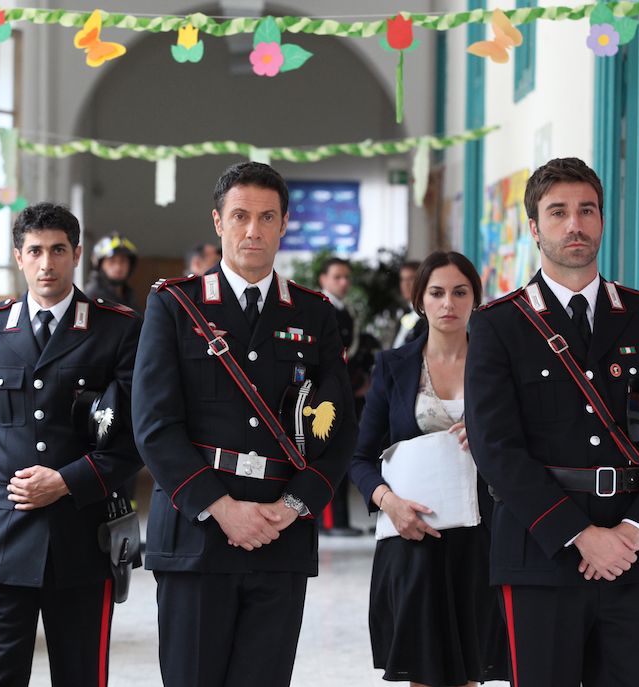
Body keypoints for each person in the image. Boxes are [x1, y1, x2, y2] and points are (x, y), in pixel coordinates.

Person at [464, 158, 639, 687]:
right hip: (541, 552)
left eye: (587, 210)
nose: (574, 224)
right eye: (558, 212)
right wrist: (577, 534)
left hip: (633, 554)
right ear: (534, 227)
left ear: (600, 220)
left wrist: (633, 531)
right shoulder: (499, 324)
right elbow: (495, 449)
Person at [132, 162, 359, 687]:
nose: (253, 230)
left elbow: (340, 426)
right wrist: (221, 508)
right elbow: (153, 424)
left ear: (284, 225)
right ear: (218, 222)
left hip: (281, 533)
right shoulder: (175, 305)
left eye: (267, 217)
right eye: (240, 216)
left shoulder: (314, 313)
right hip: (196, 533)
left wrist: (294, 504)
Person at [0, 202, 144, 687]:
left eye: (57, 250)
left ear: (77, 255)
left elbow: (138, 438)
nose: (46, 263)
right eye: (35, 251)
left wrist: (67, 482)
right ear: (19, 257)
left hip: (83, 537)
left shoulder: (118, 328)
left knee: (80, 676)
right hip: (0, 535)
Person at [350, 251, 509, 687]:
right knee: (422, 671)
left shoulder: (500, 365)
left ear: (475, 298)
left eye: (460, 292)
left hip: (484, 537)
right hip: (414, 535)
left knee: (472, 670)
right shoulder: (393, 366)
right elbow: (360, 458)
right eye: (436, 293)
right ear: (419, 299)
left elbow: (526, 444)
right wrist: (389, 503)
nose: (448, 304)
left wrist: (489, 436)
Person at [317, 256, 367, 536]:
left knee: (343, 452)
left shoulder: (343, 310)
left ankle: (340, 520)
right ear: (323, 279)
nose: (344, 282)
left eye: (346, 277)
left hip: (345, 392)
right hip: (327, 396)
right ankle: (329, 522)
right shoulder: (320, 308)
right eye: (337, 277)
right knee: (327, 452)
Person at [86, 232, 141, 311]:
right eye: (111, 261)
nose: (118, 267)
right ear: (100, 265)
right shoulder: (92, 298)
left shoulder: (128, 295)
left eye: (123, 261)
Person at [393, 260, 428, 348]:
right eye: (403, 279)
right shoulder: (403, 312)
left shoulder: (428, 314)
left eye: (411, 278)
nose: (405, 284)